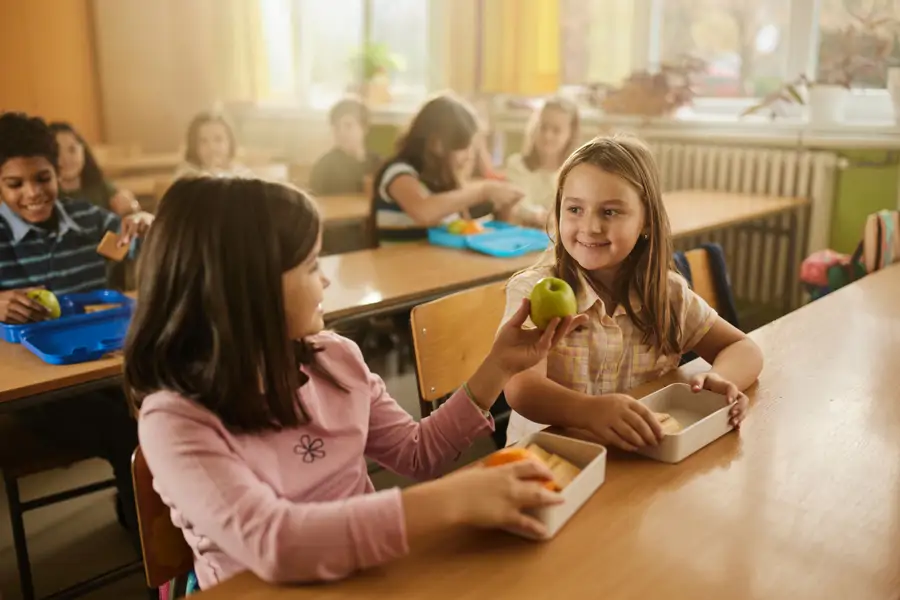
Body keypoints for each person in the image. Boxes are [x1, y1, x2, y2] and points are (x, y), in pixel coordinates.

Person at [126, 177, 583, 589]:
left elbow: (417, 453)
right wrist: (449, 501)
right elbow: (276, 543)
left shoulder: (335, 357)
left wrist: (498, 366)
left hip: (361, 574)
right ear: (246, 288)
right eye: (309, 266)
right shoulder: (174, 420)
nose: (325, 278)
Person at [501, 136, 764, 448]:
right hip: (548, 462)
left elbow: (743, 348)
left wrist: (721, 379)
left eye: (610, 212)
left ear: (646, 222)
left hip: (638, 457)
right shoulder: (531, 291)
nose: (590, 227)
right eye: (574, 209)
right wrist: (588, 411)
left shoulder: (667, 294)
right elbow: (520, 387)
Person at [0, 112, 154, 551]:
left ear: (59, 172)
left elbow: (154, 249)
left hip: (103, 363)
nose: (32, 193)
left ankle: (162, 518)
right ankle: (151, 539)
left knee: (164, 403)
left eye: (42, 177)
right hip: (37, 390)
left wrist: (144, 221)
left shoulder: (89, 221)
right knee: (126, 425)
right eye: (15, 184)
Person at [371, 93, 523, 244]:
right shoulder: (398, 172)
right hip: (399, 266)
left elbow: (464, 231)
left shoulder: (444, 179)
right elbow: (424, 211)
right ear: (436, 144)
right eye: (463, 147)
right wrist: (483, 191)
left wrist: (505, 209)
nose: (469, 156)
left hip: (440, 264)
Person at [504, 97, 580, 229]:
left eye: (556, 130)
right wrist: (536, 215)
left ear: (570, 135)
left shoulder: (577, 173)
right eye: (543, 127)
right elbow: (517, 204)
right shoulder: (516, 165)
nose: (547, 136)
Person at [49, 121, 141, 217]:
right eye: (57, 152)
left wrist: (131, 206)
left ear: (83, 150)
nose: (66, 159)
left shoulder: (100, 186)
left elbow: (130, 212)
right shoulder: (46, 198)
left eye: (72, 150)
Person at [309, 96, 381, 195]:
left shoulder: (377, 163)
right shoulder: (324, 166)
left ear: (364, 127)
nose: (341, 132)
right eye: (337, 127)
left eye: (348, 125)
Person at [175, 111, 253, 178]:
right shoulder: (186, 177)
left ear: (230, 142)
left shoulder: (243, 175)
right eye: (203, 141)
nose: (212, 148)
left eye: (218, 140)